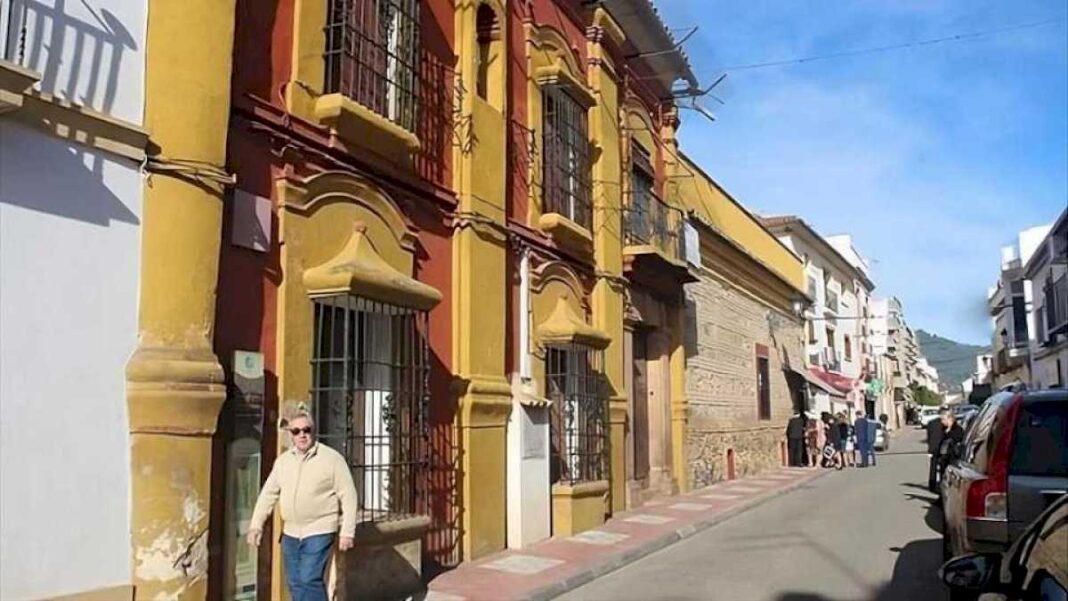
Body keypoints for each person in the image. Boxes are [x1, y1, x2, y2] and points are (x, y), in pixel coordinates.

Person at [248, 412, 358, 601]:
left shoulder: (331, 459)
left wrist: (347, 531)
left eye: (307, 430)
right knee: (295, 582)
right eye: (296, 431)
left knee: (308, 579)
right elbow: (268, 494)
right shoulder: (283, 462)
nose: (302, 435)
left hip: (319, 529)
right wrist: (256, 525)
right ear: (291, 434)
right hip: (290, 532)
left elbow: (348, 495)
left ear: (313, 432)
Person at [926, 410, 947, 492]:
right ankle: (942, 484)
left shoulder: (931, 423)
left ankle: (932, 484)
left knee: (933, 467)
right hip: (942, 448)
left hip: (933, 448)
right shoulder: (944, 424)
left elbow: (928, 436)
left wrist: (930, 446)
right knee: (942, 467)